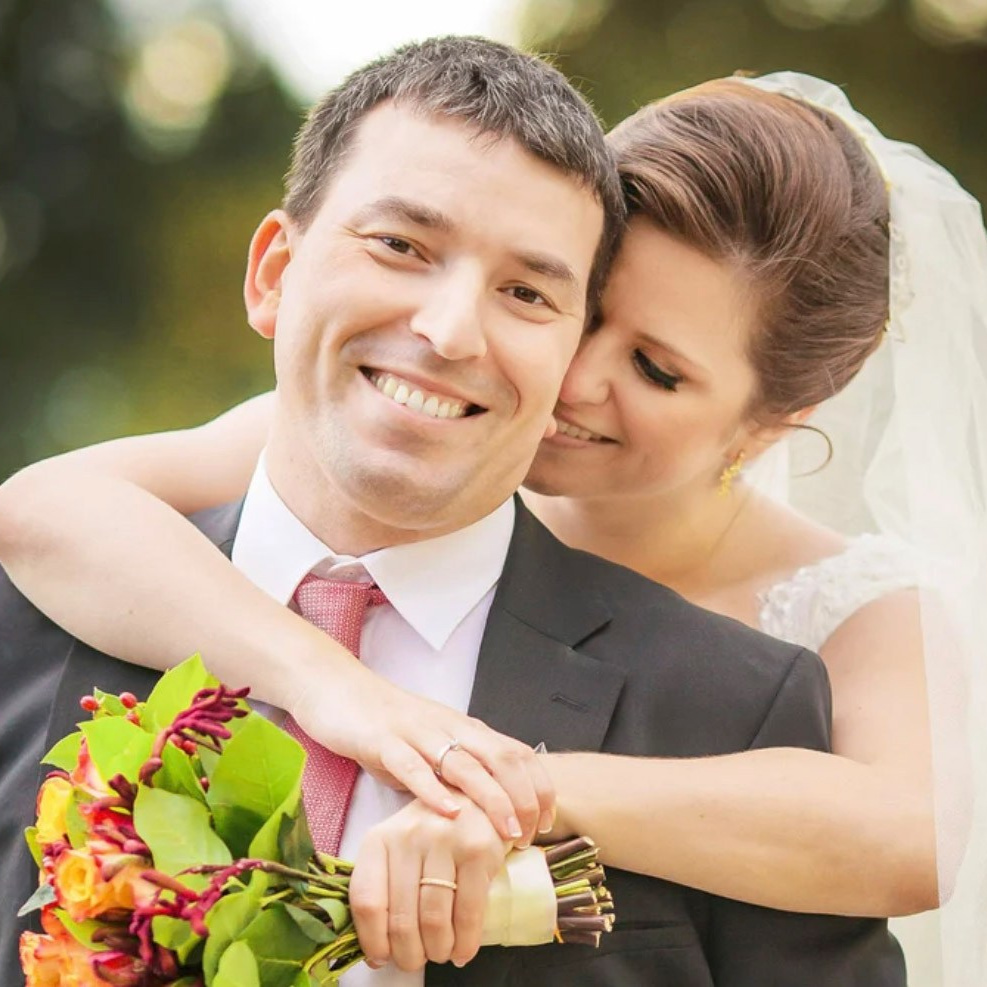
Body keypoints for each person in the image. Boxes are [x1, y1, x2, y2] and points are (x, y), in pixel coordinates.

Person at [0, 42, 950, 987]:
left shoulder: (769, 675)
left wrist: (509, 789)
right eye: (575, 313)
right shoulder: (323, 438)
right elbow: (43, 507)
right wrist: (342, 692)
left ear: (765, 429)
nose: (571, 380)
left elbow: (914, 838)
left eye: (655, 369)